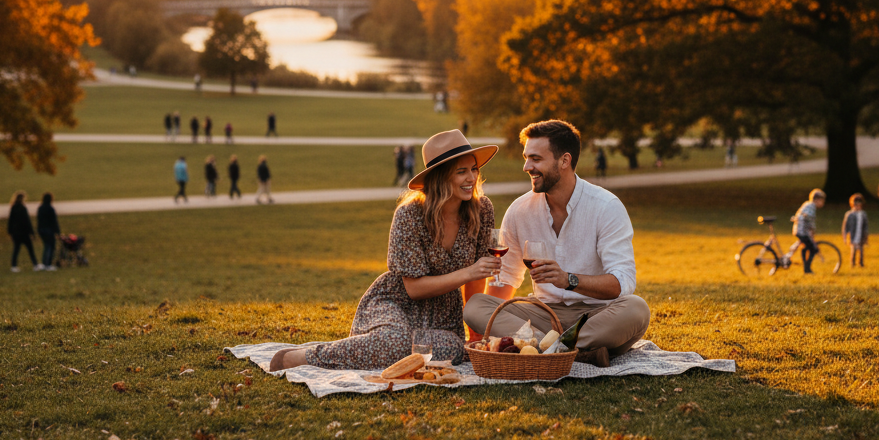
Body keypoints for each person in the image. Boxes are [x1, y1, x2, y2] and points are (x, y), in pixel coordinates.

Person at [270, 129, 501, 371]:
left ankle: (366, 346)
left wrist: (476, 337)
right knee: (395, 342)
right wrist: (468, 272)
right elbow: (413, 289)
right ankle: (302, 357)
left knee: (453, 349)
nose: (472, 178)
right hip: (396, 302)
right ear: (440, 177)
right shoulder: (409, 215)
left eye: (474, 169)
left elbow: (477, 279)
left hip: (443, 315)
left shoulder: (481, 209)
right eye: (461, 172)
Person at [463, 120, 651, 368]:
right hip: (542, 314)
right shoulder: (520, 210)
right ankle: (574, 352)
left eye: (535, 159)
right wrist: (485, 328)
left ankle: (538, 350)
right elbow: (507, 277)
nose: (526, 166)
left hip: (596, 316)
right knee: (476, 305)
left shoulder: (606, 206)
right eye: (526, 158)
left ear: (564, 161)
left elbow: (622, 283)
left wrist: (569, 280)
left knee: (637, 309)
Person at [791, 188, 825, 274]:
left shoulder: (807, 204)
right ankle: (807, 268)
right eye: (822, 201)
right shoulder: (811, 206)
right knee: (813, 249)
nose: (823, 203)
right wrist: (813, 230)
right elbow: (810, 219)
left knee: (806, 247)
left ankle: (806, 267)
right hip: (802, 231)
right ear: (817, 200)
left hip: (798, 230)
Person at [7, 192, 42, 272]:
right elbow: (27, 222)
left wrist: (10, 232)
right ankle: (35, 265)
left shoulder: (13, 208)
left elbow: (10, 221)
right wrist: (32, 233)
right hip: (24, 233)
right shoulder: (23, 208)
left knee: (16, 250)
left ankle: (14, 266)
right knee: (30, 250)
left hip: (16, 233)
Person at [842, 193, 869, 268]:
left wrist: (866, 236)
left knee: (861, 250)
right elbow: (845, 227)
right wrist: (845, 236)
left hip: (861, 235)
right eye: (856, 205)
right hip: (853, 236)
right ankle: (852, 263)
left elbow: (866, 226)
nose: (857, 207)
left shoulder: (863, 214)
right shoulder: (849, 214)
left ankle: (861, 263)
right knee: (853, 250)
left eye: (859, 205)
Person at [36, 192, 61, 271]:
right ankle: (48, 264)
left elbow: (39, 220)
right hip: (49, 230)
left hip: (42, 230)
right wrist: (57, 232)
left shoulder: (40, 208)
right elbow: (54, 221)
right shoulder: (50, 208)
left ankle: (44, 263)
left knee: (46, 246)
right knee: (50, 247)